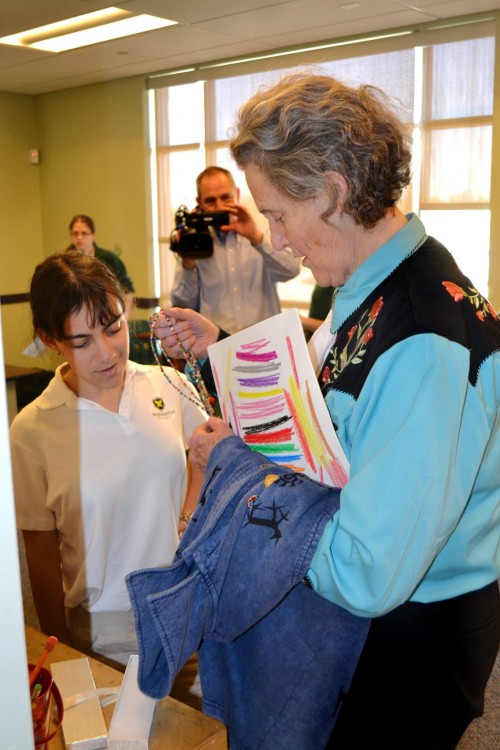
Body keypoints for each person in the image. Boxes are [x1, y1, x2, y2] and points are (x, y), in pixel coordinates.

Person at [152, 73, 500, 749]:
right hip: (388, 615)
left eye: (280, 214)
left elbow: (363, 571)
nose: (278, 241)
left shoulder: (421, 334)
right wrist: (221, 351)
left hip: (410, 640)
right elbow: (319, 405)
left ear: (335, 191)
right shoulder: (369, 287)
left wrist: (241, 476)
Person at [10, 251, 208, 683]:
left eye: (113, 327)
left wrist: (185, 516)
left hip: (189, 615)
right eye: (81, 342)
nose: (105, 353)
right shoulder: (32, 430)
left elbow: (204, 459)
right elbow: (40, 557)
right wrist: (60, 655)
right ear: (50, 340)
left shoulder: (168, 384)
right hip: (102, 635)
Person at [170, 166, 301, 334]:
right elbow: (183, 304)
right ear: (200, 202)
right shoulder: (195, 240)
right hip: (217, 345)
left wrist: (256, 238)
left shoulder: (262, 232)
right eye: (211, 201)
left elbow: (291, 271)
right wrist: (188, 264)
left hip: (266, 340)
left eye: (226, 197)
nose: (219, 206)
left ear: (237, 194)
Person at [67, 214, 135, 316]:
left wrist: (123, 316)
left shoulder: (109, 259)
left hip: (106, 314)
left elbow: (127, 290)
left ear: (93, 235)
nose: (79, 237)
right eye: (75, 233)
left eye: (84, 233)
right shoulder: (65, 261)